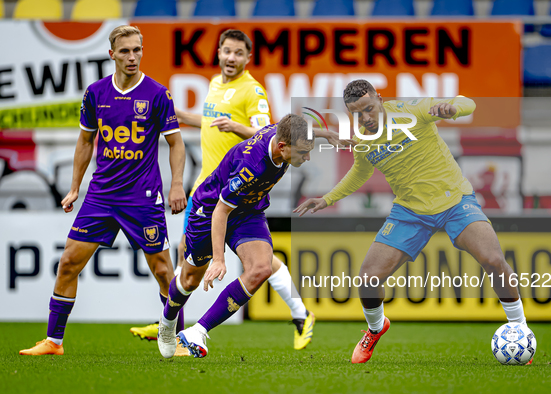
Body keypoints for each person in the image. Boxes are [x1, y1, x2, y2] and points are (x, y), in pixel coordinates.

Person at [131, 29, 348, 349]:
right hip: (215, 190)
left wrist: (328, 136)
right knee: (190, 270)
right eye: (226, 51)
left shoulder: (253, 92)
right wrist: (169, 113)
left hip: (240, 193)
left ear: (247, 58)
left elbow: (271, 130)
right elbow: (224, 130)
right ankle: (170, 322)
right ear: (218, 53)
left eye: (238, 53)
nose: (231, 58)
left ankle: (191, 330)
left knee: (260, 264)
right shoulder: (216, 87)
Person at [294, 80, 528, 364]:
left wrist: (452, 107)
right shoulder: (363, 140)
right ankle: (376, 328)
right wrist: (327, 199)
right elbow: (360, 172)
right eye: (357, 115)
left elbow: (470, 103)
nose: (365, 119)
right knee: (367, 279)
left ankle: (519, 329)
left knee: (492, 259)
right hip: (410, 212)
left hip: (454, 200)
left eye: (369, 109)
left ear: (380, 99)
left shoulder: (413, 111)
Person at [19, 25, 187, 356]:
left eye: (137, 50)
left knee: (163, 271)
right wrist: (74, 188)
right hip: (101, 196)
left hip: (142, 197)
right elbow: (85, 141)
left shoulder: (157, 93)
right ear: (112, 54)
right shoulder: (95, 93)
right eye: (125, 51)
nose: (132, 57)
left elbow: (176, 142)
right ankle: (54, 341)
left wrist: (177, 183)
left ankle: (177, 339)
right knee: (68, 262)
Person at [157, 114, 314, 359]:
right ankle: (166, 324)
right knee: (189, 281)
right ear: (282, 147)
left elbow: (260, 131)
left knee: (261, 268)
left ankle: (198, 331)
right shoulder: (252, 167)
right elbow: (221, 210)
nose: (308, 158)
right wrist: (219, 259)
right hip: (210, 209)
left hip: (248, 210)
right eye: (304, 152)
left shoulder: (280, 133)